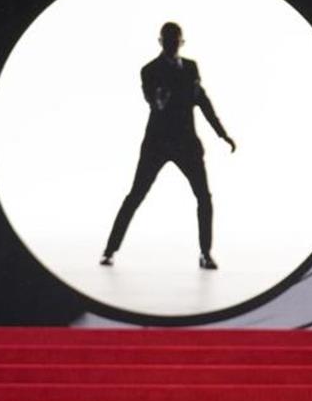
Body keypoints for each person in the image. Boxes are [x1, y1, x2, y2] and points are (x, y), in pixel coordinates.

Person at [101, 22, 236, 270]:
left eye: (177, 41)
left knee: (204, 198)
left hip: (186, 144)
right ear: (161, 42)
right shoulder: (149, 70)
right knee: (136, 196)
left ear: (181, 42)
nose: (173, 45)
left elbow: (202, 100)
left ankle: (206, 254)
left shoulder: (191, 67)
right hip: (157, 144)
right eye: (169, 41)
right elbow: (153, 100)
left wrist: (221, 133)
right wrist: (159, 99)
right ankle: (110, 250)